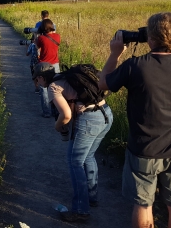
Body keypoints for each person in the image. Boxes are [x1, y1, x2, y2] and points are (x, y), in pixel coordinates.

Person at [98, 12, 171, 228]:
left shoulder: (136, 66)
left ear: (150, 38)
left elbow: (103, 84)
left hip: (144, 149)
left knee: (143, 206)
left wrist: (115, 54)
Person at [33, 62, 113, 222]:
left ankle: (80, 210)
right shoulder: (66, 77)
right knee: (88, 156)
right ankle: (91, 197)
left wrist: (57, 127)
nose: (37, 83)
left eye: (37, 80)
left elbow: (66, 115)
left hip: (89, 120)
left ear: (41, 78)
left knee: (75, 162)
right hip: (106, 115)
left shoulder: (53, 87)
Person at [35, 19, 61, 117]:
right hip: (55, 65)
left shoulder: (41, 38)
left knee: (44, 89)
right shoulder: (57, 37)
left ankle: (46, 112)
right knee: (55, 88)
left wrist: (36, 35)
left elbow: (37, 46)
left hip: (43, 65)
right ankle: (57, 111)